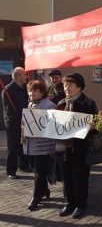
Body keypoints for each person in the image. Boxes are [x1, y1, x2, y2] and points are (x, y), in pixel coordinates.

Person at [56, 73, 98, 219]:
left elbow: (98, 125)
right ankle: (69, 203)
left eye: (70, 85)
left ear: (79, 87)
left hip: (80, 147)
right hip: (63, 147)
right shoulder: (61, 103)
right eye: (65, 85)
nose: (66, 88)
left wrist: (94, 126)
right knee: (66, 177)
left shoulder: (88, 103)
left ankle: (80, 205)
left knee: (79, 177)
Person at [22, 80, 56, 210]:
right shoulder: (31, 104)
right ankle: (45, 190)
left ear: (42, 92)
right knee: (35, 168)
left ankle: (36, 196)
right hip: (30, 143)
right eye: (30, 90)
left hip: (43, 145)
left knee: (39, 171)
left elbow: (53, 125)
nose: (31, 93)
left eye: (35, 90)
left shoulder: (49, 105)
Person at [1, 67, 31, 179]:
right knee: (13, 147)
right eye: (24, 75)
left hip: (24, 121)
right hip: (13, 124)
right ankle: (11, 170)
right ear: (18, 77)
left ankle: (24, 165)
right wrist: (18, 121)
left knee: (23, 144)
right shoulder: (8, 90)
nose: (26, 77)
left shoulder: (23, 88)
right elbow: (9, 110)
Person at [47, 69, 66, 185]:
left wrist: (51, 97)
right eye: (53, 78)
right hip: (52, 118)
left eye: (56, 78)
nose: (54, 80)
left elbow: (61, 98)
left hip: (61, 118)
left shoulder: (63, 87)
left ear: (60, 77)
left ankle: (61, 172)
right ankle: (56, 172)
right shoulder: (50, 87)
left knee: (60, 147)